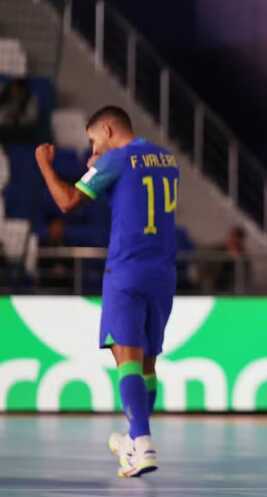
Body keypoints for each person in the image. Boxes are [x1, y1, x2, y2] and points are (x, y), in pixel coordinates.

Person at [34, 106, 179, 477]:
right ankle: (133, 439)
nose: (93, 148)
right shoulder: (165, 157)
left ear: (109, 130)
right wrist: (100, 160)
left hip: (127, 270)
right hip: (162, 274)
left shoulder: (117, 160)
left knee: (126, 358)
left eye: (94, 140)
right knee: (148, 363)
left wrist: (45, 165)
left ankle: (143, 444)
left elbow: (67, 201)